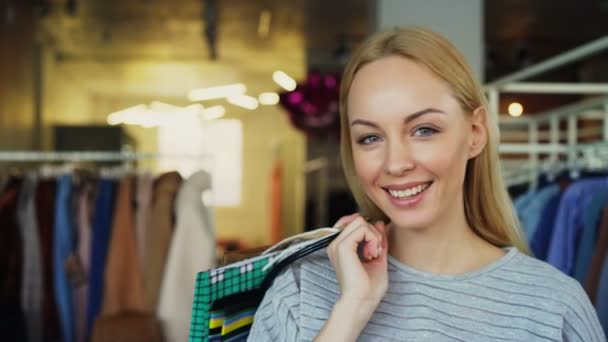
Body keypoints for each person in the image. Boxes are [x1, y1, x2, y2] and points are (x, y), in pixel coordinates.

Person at [248, 27, 607, 341]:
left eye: (424, 130)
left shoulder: (553, 306)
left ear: (475, 133)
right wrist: (352, 310)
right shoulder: (300, 289)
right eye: (370, 138)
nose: (396, 163)